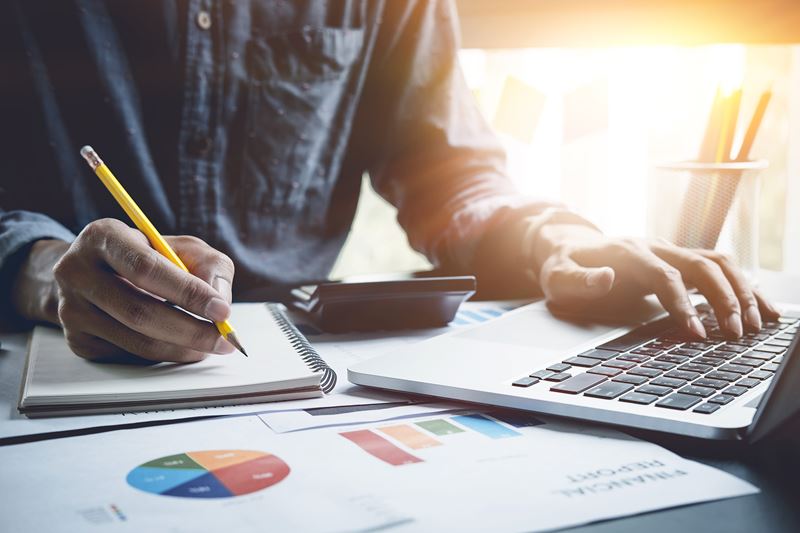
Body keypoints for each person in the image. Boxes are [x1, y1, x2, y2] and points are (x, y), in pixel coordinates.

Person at [0, 1, 778, 363]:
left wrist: (559, 240)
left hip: (293, 371)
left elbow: (451, 172)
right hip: (44, 360)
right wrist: (39, 266)